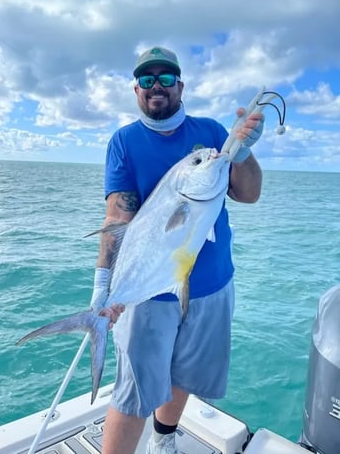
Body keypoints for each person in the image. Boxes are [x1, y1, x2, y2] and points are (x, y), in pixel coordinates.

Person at [91, 46, 264, 454]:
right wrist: (103, 285)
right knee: (134, 393)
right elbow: (118, 217)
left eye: (166, 78)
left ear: (180, 85)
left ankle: (163, 441)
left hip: (212, 286)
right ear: (136, 90)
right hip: (149, 290)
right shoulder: (125, 141)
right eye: (147, 79)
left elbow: (249, 194)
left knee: (185, 374)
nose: (157, 86)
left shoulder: (210, 133)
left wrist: (245, 152)